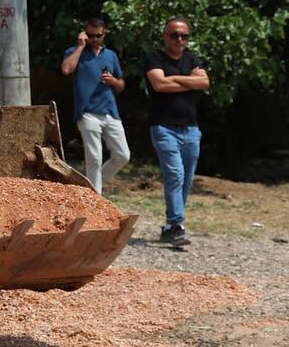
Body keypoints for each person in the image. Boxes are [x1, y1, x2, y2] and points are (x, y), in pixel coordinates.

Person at [144, 16, 211, 248]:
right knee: (175, 175)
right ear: (165, 36)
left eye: (184, 35)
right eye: (174, 35)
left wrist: (173, 78)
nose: (179, 39)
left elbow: (204, 83)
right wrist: (189, 81)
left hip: (191, 129)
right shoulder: (154, 57)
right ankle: (178, 223)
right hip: (164, 127)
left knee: (187, 180)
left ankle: (171, 227)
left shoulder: (192, 58)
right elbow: (159, 85)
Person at [60, 16, 130, 194]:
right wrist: (80, 46)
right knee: (94, 157)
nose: (94, 39)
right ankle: (95, 197)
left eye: (97, 36)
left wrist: (113, 81)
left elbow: (121, 86)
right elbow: (66, 70)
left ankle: (90, 189)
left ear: (104, 34)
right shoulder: (75, 51)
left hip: (110, 112)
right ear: (84, 34)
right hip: (87, 113)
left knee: (123, 155)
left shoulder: (111, 55)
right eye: (90, 36)